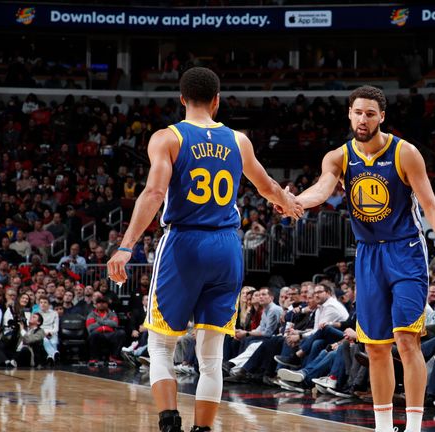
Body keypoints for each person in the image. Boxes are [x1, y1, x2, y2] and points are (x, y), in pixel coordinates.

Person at [106, 67, 302, 432]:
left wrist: (126, 245)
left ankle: (168, 422)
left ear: (182, 98)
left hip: (184, 244)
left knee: (162, 346)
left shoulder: (168, 138)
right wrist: (286, 202)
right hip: (227, 247)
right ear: (217, 100)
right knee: (210, 356)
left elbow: (153, 194)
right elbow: (267, 185)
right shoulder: (238, 140)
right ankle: (204, 429)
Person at [292, 85, 435, 432]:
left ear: (382, 117)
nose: (363, 119)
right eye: (358, 112)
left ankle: (414, 426)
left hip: (406, 250)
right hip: (368, 254)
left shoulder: (405, 153)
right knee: (375, 347)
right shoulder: (338, 157)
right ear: (349, 114)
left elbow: (431, 208)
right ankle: (381, 426)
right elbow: (322, 188)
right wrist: (296, 201)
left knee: (407, 340)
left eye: (370, 113)